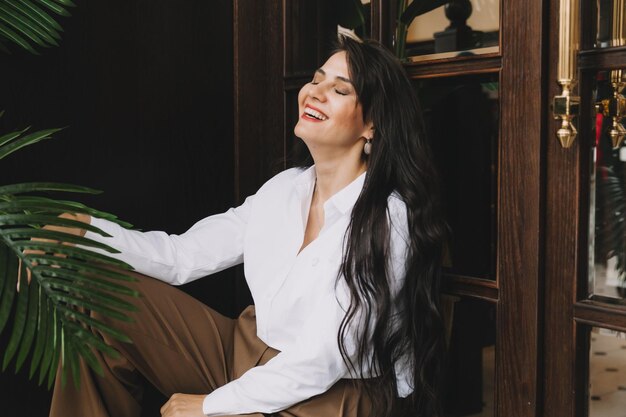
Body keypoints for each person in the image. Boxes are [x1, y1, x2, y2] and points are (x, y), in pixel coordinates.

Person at [41, 35, 447, 417]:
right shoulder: (284, 189)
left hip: (329, 396)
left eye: (340, 90)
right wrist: (85, 231)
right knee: (97, 296)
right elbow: (182, 256)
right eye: (316, 79)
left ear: (372, 125)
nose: (314, 92)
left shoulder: (388, 219)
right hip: (244, 351)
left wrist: (207, 405)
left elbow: (323, 359)